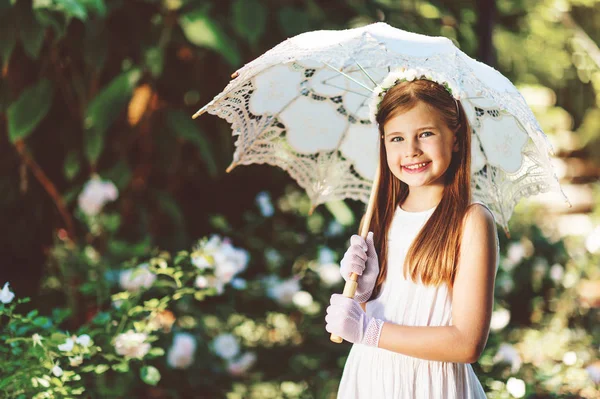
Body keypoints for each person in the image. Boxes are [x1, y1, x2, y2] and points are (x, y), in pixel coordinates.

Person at [324, 69, 500, 398]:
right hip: (372, 378)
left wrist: (367, 330)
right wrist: (362, 297)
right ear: (383, 143)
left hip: (432, 384)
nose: (412, 150)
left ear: (456, 138)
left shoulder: (471, 221)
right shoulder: (380, 217)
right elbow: (384, 311)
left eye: (426, 134)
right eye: (397, 138)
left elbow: (467, 343)